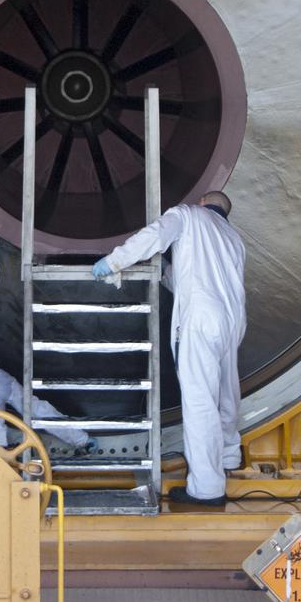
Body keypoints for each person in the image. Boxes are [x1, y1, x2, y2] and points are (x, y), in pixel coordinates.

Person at [93, 191, 246, 508]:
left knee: (200, 401)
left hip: (201, 317)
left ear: (202, 201)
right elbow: (197, 276)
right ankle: (230, 456)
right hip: (233, 320)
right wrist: (164, 271)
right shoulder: (233, 238)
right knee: (227, 392)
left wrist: (115, 261)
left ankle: (207, 488)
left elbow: (156, 235)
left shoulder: (188, 215)